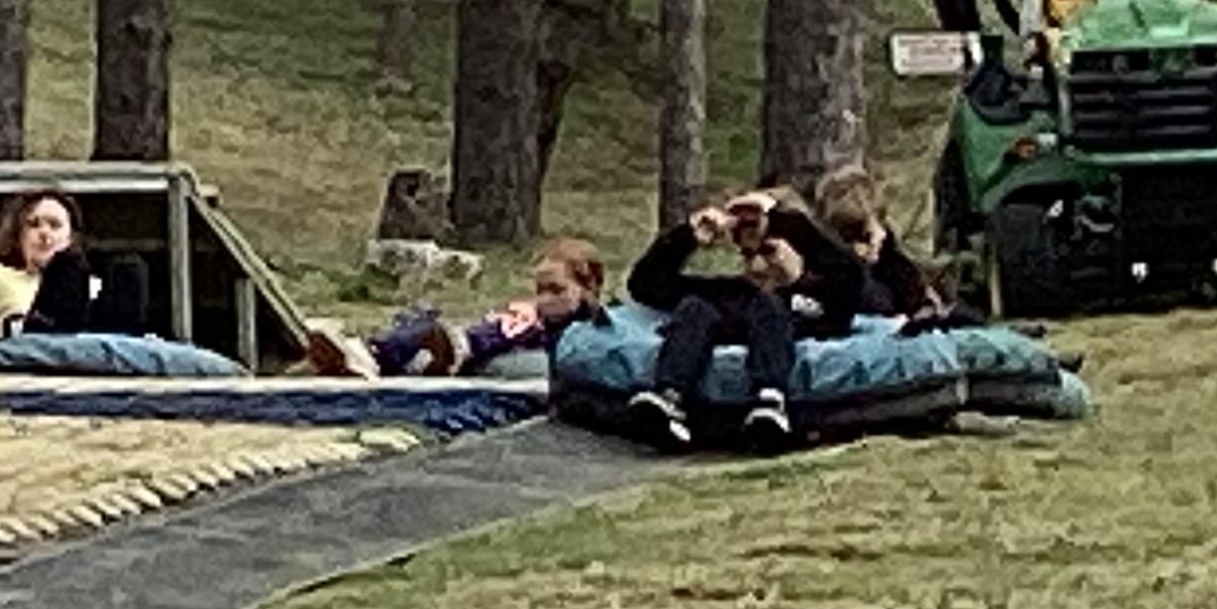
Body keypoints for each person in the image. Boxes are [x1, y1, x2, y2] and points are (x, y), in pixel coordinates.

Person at [623, 187, 863, 449]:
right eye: (749, 256)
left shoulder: (816, 299)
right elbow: (645, 284)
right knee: (694, 307)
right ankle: (669, 398)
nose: (758, 265)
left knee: (769, 306)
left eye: (769, 253)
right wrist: (688, 236)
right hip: (716, 332)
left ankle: (770, 404)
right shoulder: (729, 294)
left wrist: (790, 245)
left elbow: (852, 282)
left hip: (781, 336)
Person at [307, 237, 608, 379]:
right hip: (474, 342)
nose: (545, 300)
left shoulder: (586, 328)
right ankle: (365, 352)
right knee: (420, 323)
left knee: (429, 334)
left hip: (481, 353)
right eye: (540, 291)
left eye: (556, 290)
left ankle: (370, 356)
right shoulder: (535, 315)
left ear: (588, 287)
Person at [0, 189, 149, 341]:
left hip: (84, 354)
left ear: (71, 237)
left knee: (129, 268)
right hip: (29, 354)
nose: (45, 233)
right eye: (33, 224)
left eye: (55, 225)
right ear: (18, 235)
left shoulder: (91, 283)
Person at [813, 168, 956, 328]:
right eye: (848, 239)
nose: (858, 248)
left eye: (863, 236)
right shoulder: (830, 272)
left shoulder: (900, 269)